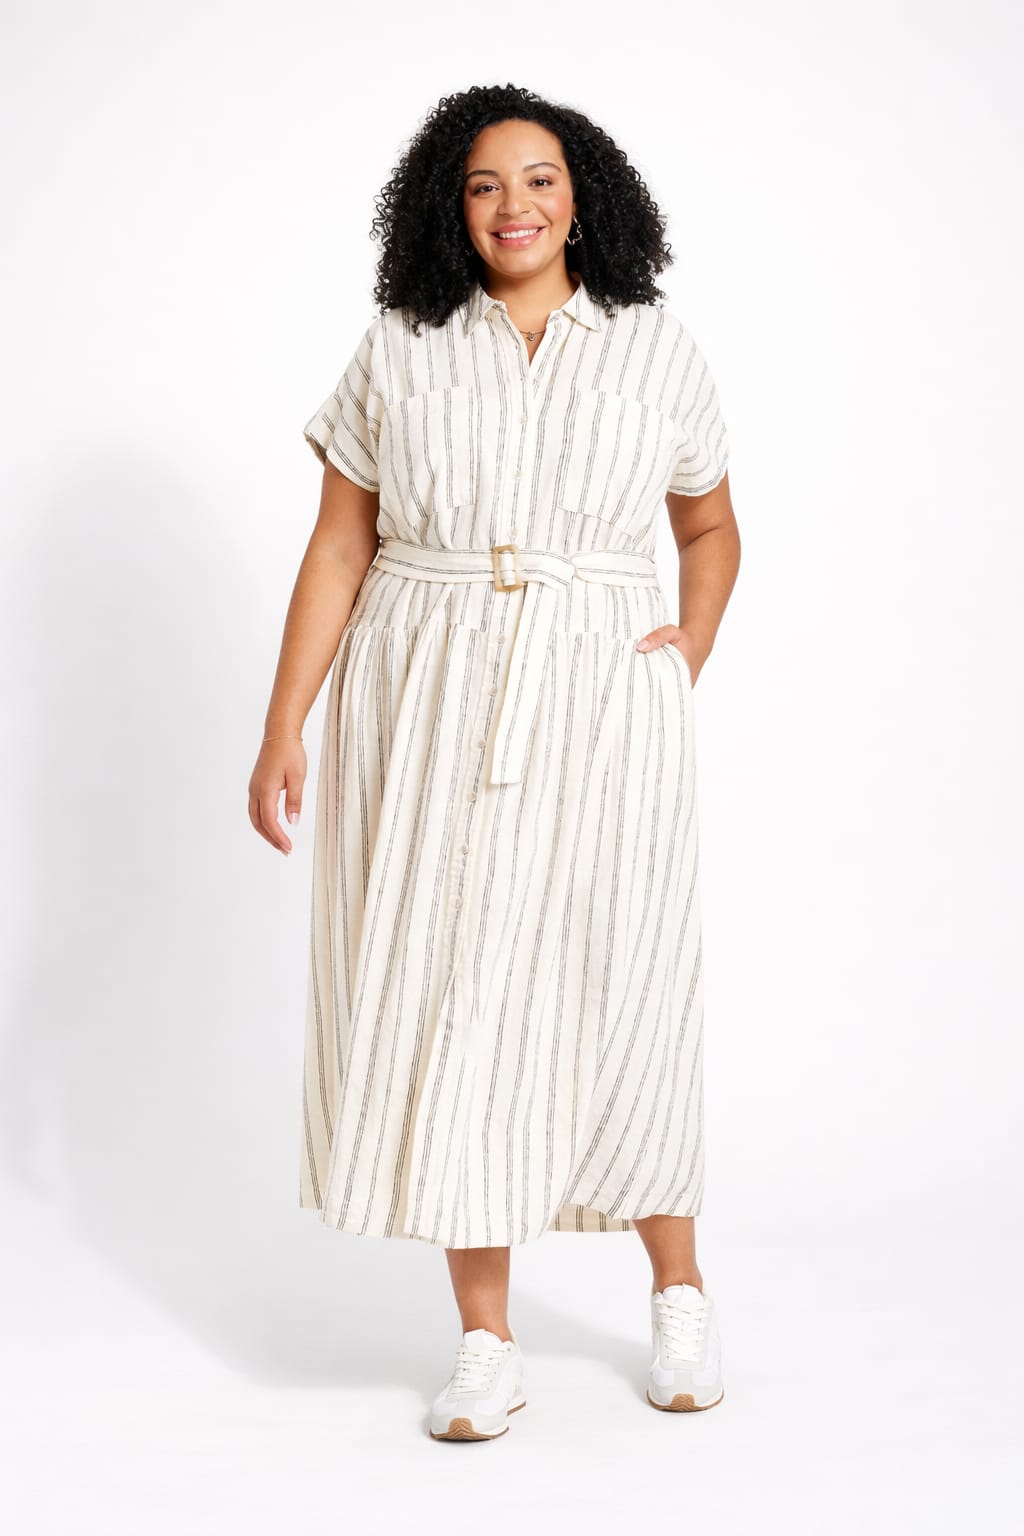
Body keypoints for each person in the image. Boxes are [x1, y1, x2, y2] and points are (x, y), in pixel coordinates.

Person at [248, 83, 741, 1440]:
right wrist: (286, 720)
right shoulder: (400, 348)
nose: (513, 205)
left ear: (584, 199)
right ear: (447, 207)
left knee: (626, 979)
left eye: (539, 180)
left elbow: (709, 528)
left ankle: (680, 1296)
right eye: (483, 184)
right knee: (459, 995)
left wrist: (685, 652)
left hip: (603, 698)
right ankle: (484, 1340)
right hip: (430, 697)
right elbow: (341, 540)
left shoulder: (654, 347)